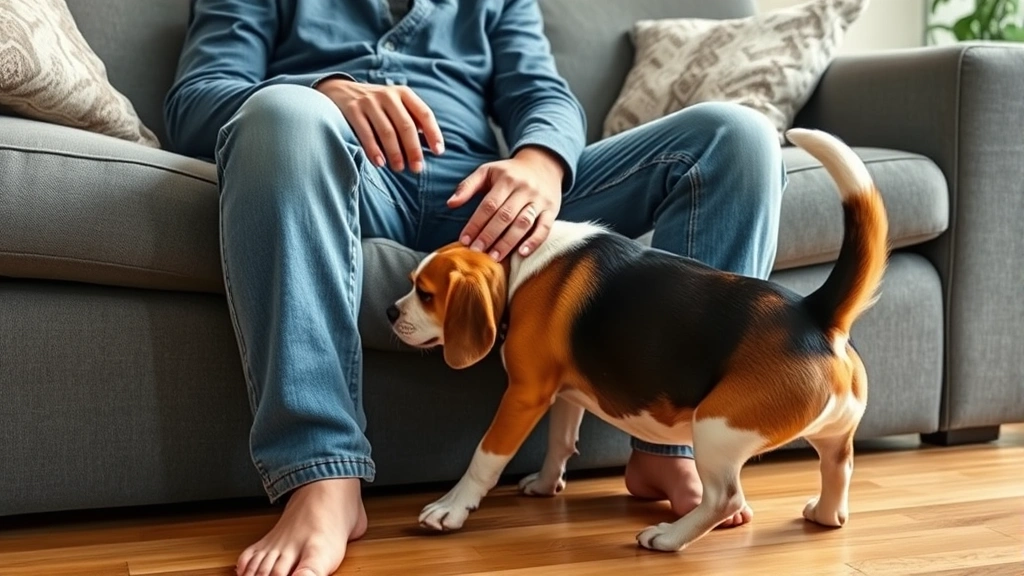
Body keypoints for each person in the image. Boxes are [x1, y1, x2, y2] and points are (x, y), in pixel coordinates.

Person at [165, 0, 785, 574]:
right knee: (283, 114)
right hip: (344, 177)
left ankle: (670, 451)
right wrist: (325, 94)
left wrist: (540, 160)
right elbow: (195, 103)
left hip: (481, 200)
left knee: (736, 136)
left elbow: (542, 93)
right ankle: (321, 477)